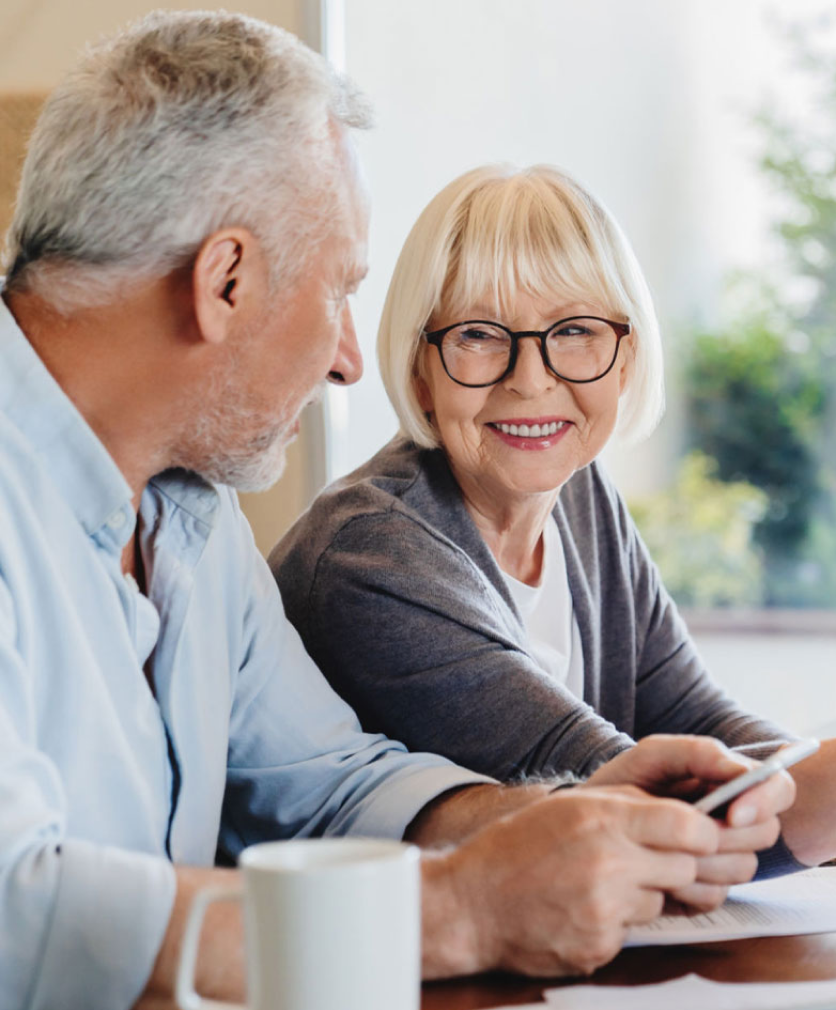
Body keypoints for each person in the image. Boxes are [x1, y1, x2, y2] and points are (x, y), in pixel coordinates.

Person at [0, 14, 793, 1010]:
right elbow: (16, 908)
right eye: (339, 293)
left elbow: (329, 778)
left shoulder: (190, 514)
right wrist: (456, 908)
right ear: (225, 283)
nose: (344, 355)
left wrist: (544, 823)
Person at [271, 162, 834, 873]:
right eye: (478, 334)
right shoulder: (370, 554)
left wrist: (797, 770)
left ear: (625, 358)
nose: (531, 380)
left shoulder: (581, 495)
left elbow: (701, 722)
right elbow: (625, 807)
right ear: (420, 367)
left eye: (573, 331)